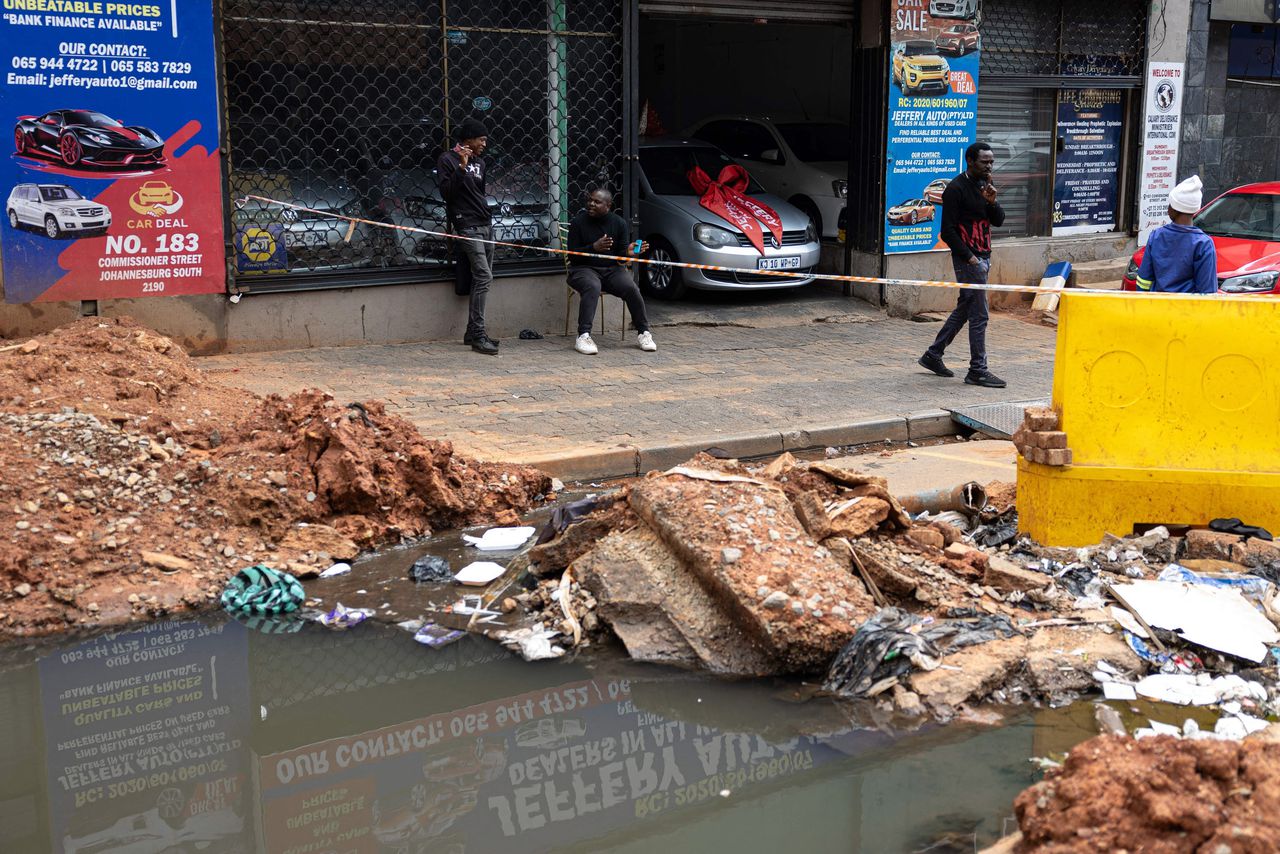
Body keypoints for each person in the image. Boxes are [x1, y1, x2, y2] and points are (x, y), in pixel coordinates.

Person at [918, 141, 1007, 389]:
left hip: (984, 255)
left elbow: (999, 221)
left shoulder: (985, 185)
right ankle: (977, 370)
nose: (989, 166)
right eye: (984, 162)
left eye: (991, 162)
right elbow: (947, 231)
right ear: (970, 161)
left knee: (966, 308)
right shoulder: (955, 189)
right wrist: (970, 258)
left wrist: (992, 202)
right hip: (969, 259)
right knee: (980, 314)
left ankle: (933, 355)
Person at [566, 187, 657, 355]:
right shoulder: (578, 222)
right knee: (592, 286)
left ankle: (644, 332)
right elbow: (572, 256)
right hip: (583, 269)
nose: (591, 204)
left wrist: (628, 253)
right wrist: (593, 248)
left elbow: (620, 258)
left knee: (631, 288)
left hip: (611, 269)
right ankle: (583, 336)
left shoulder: (619, 223)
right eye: (590, 200)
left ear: (608, 205)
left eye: (597, 202)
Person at [437, 117, 498, 355]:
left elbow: (479, 194)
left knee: (482, 278)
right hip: (467, 225)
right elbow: (447, 193)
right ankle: (478, 334)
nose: (484, 144)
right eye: (481, 139)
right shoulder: (447, 159)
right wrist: (461, 168)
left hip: (485, 223)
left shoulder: (480, 162)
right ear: (468, 139)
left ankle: (472, 332)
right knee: (484, 276)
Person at [1134, 175, 1217, 294]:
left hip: (1157, 304)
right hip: (1186, 306)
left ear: (1173, 209)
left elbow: (1144, 280)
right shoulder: (1204, 244)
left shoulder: (1156, 236)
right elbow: (1207, 291)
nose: (1168, 208)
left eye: (1170, 204)